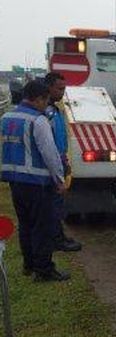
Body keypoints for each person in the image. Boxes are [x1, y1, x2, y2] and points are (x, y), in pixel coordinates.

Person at [1, 80, 70, 281]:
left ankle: (29, 264)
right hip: (37, 183)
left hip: (14, 181)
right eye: (45, 100)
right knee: (42, 227)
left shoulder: (6, 117)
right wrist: (59, 179)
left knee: (26, 224)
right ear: (39, 99)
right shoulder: (37, 121)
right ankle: (44, 270)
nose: (45, 104)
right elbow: (50, 153)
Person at [44, 72, 81, 252]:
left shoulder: (54, 109)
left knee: (57, 203)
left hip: (60, 158)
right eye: (59, 88)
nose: (62, 92)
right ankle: (57, 239)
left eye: (64, 88)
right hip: (53, 161)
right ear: (48, 87)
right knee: (54, 204)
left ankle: (58, 236)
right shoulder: (47, 112)